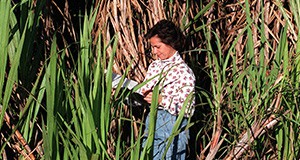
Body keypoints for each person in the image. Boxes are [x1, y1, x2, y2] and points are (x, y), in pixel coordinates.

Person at [140, 19, 196, 159]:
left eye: (157, 47)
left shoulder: (183, 71)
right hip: (152, 121)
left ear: (170, 42)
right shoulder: (154, 66)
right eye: (152, 47)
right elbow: (146, 90)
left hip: (172, 125)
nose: (154, 51)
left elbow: (187, 107)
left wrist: (161, 100)